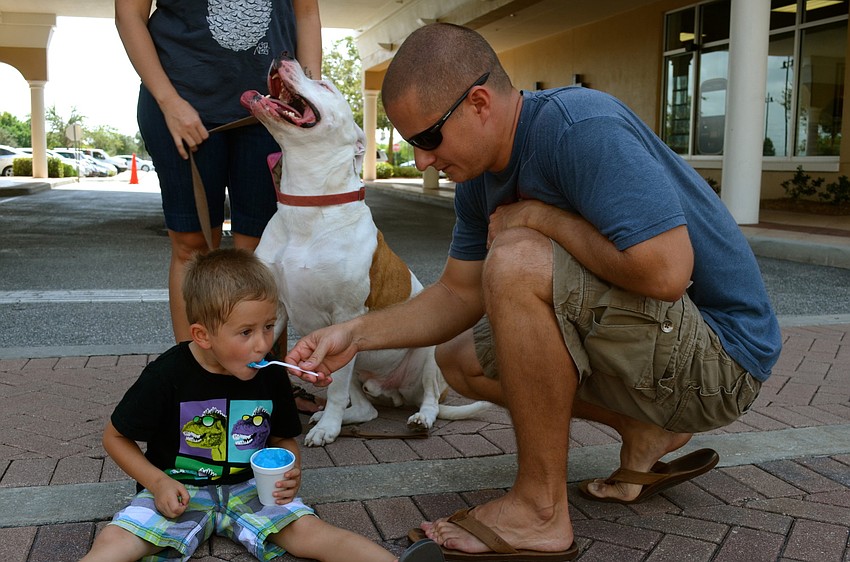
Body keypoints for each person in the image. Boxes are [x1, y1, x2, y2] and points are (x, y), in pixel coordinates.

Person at [282, 23, 782, 560]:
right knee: (458, 356)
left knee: (517, 257)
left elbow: (666, 272)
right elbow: (457, 295)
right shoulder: (478, 176)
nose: (423, 160)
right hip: (664, 347)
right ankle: (641, 430)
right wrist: (355, 333)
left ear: (478, 103)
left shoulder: (580, 128)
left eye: (427, 139)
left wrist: (542, 219)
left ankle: (540, 511)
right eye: (412, 146)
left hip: (722, 362)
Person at [80, 249, 443, 562]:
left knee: (311, 532)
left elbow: (283, 439)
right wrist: (156, 482)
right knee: (118, 540)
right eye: (246, 332)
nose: (262, 344)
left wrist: (291, 469)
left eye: (268, 326)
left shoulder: (270, 374)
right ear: (203, 335)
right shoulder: (166, 375)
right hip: (177, 488)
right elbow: (115, 437)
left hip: (252, 488)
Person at [115, 0, 324, 414]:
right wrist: (168, 101)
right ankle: (192, 384)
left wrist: (309, 92)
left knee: (262, 253)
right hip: (181, 101)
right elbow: (128, 15)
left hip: (269, 108)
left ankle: (266, 382)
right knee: (192, 246)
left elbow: (307, 13)